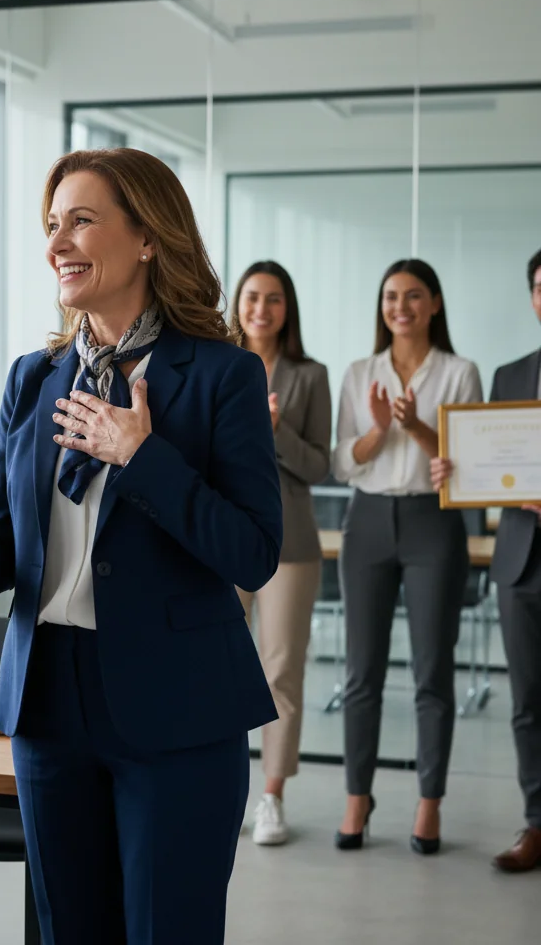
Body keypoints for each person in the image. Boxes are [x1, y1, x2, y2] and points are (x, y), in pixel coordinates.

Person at [0, 148, 282, 944]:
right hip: (48, 701)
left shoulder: (223, 376)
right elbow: (1, 540)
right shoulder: (33, 378)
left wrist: (142, 458)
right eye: (52, 225)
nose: (56, 244)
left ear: (148, 237)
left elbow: (253, 552)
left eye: (80, 220)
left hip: (178, 706)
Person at [332, 258, 482, 855]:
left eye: (414, 295)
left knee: (432, 671)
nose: (401, 306)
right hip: (367, 520)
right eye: (391, 296)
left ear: (435, 304)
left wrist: (415, 426)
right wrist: (379, 431)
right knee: (361, 672)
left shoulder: (460, 372)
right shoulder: (359, 372)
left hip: (432, 523)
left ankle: (429, 803)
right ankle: (356, 798)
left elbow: (468, 459)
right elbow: (344, 462)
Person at [431, 247, 541, 872]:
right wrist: (458, 471)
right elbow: (494, 467)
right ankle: (537, 823)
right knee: (527, 702)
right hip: (521, 559)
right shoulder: (510, 376)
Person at [230, 261, 331, 845]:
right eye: (252, 297)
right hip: (224, 536)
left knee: (281, 671)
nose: (261, 309)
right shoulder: (217, 363)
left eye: (273, 299)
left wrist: (276, 430)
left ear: (287, 308)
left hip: (290, 542)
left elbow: (319, 464)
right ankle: (221, 784)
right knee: (217, 663)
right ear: (238, 304)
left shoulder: (310, 376)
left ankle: (272, 796)